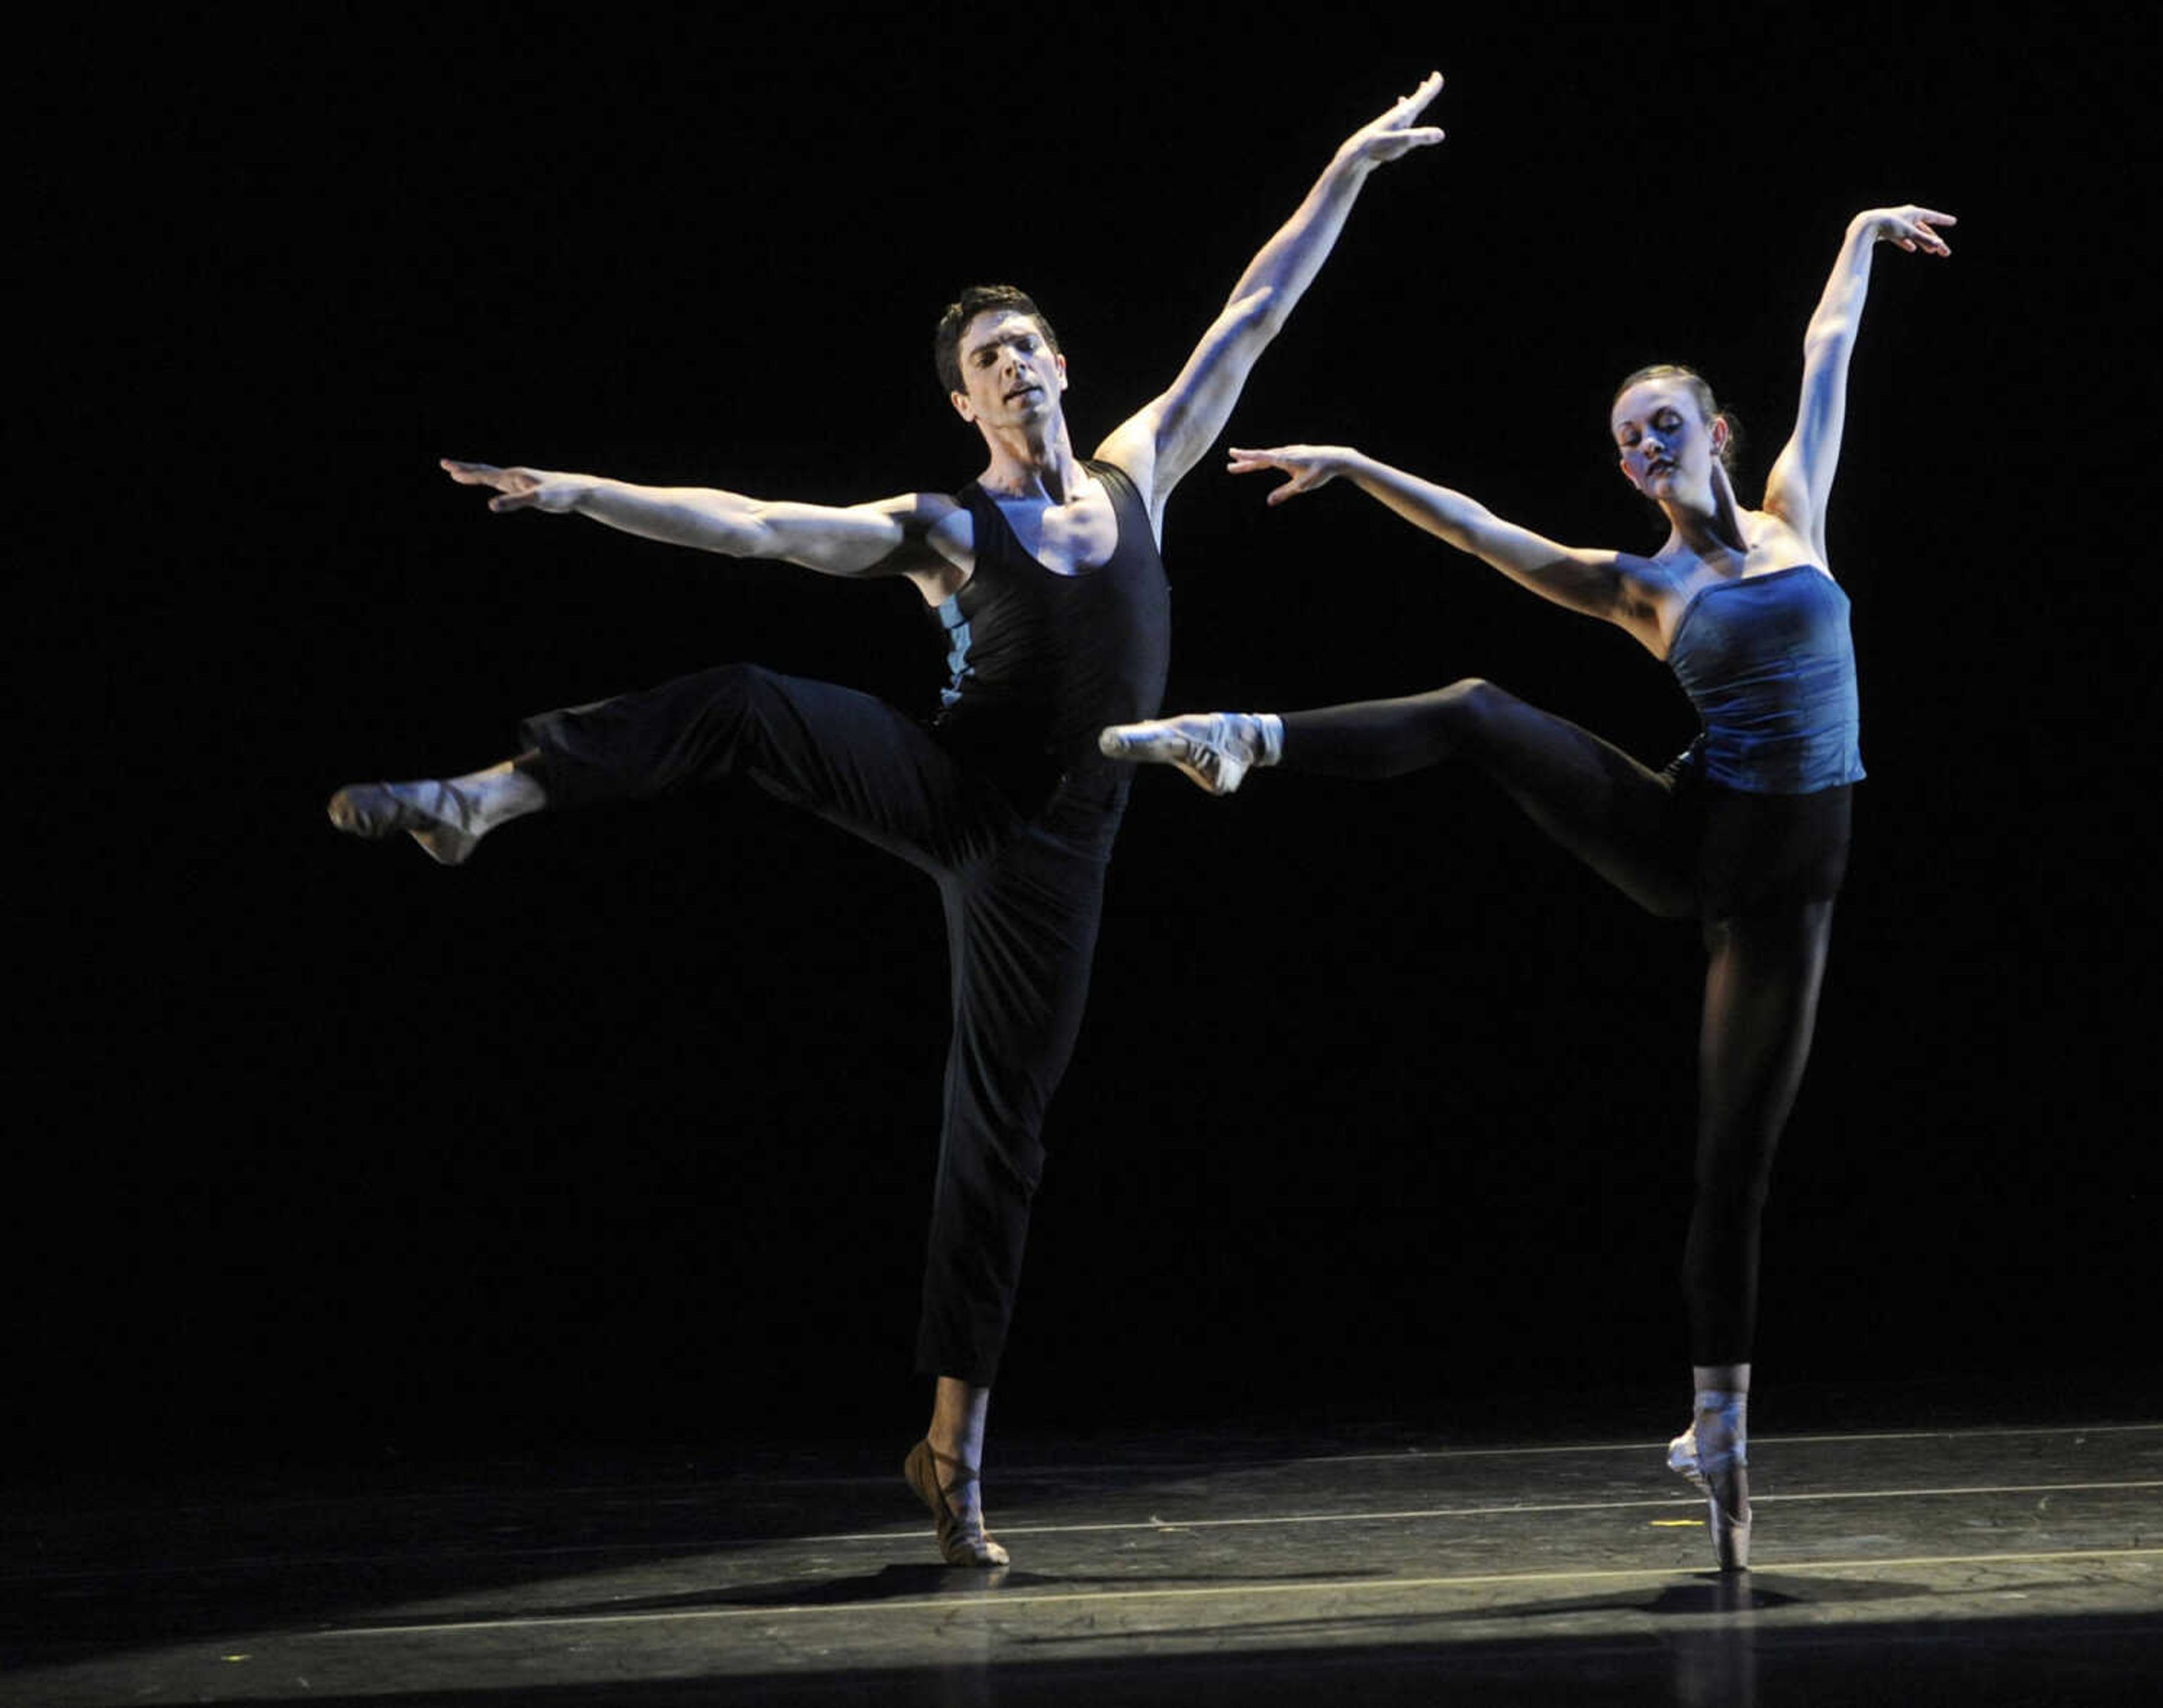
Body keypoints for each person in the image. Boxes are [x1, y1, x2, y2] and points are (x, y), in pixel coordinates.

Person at [326, 75, 1446, 1567]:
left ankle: (948, 1453)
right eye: (992, 360)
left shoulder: (1143, 471)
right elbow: (756, 525)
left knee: (1002, 1139)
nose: (1024, 369)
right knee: (739, 694)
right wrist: (581, 492)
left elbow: (1253, 311)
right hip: (947, 788)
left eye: (1032, 344)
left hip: (1060, 856)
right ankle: (486, 799)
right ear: (966, 400)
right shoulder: (941, 526)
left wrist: (1347, 166)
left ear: (1061, 361)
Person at [1101, 204, 1956, 1571]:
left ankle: (1720, 1437)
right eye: (1626, 439)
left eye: (1663, 423)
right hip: (1704, 840)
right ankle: (1243, 740)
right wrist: (1357, 459)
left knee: (1733, 1168)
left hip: (1788, 897)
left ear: (1714, 431)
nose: (1644, 447)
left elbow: (1830, 344)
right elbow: (1482, 534)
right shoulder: (1637, 583)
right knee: (1480, 709)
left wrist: (1856, 234)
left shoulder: (1802, 511)